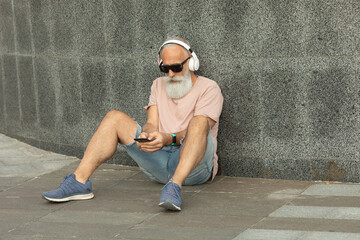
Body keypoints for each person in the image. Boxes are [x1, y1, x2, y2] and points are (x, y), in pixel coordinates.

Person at [42, 38, 224, 211]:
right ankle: (79, 181)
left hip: (195, 167)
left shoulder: (209, 88)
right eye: (165, 68)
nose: (170, 74)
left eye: (176, 67)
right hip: (159, 161)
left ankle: (174, 187)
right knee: (114, 117)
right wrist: (147, 134)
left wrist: (169, 138)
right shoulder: (158, 84)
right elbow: (151, 123)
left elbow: (201, 130)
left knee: (199, 122)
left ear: (192, 62)